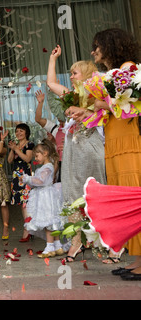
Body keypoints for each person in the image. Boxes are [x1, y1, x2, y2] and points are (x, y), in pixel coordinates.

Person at [88, 28, 141, 278]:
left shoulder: (129, 67)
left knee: (135, 199)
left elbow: (132, 104)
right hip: (115, 141)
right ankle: (137, 258)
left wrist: (101, 103)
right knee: (126, 200)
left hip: (129, 141)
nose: (93, 51)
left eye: (97, 46)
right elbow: (113, 108)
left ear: (110, 46)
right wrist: (87, 111)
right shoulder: (110, 75)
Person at [47, 45, 106, 262]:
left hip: (90, 148)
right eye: (70, 73)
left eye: (74, 72)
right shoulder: (72, 96)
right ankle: (76, 243)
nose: (71, 76)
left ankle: (102, 244)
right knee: (72, 196)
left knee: (96, 194)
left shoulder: (97, 95)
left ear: (87, 74)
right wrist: (53, 59)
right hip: (72, 150)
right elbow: (51, 84)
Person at [22, 139, 64, 258]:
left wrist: (28, 179)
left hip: (46, 197)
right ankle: (58, 245)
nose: (35, 158)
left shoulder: (47, 167)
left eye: (37, 155)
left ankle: (49, 247)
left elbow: (41, 181)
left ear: (45, 153)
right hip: (44, 195)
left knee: (48, 222)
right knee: (52, 221)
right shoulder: (46, 166)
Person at [7, 123, 34, 242]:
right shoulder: (16, 145)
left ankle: (27, 229)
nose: (18, 133)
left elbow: (28, 159)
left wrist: (17, 149)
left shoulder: (30, 144)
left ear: (26, 132)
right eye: (17, 131)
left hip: (25, 176)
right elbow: (9, 160)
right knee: (22, 203)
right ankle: (29, 228)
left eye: (21, 131)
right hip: (16, 176)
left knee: (25, 203)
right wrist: (13, 149)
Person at [35, 90, 65, 180]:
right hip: (60, 164)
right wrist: (40, 103)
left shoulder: (74, 128)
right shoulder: (55, 129)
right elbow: (38, 119)